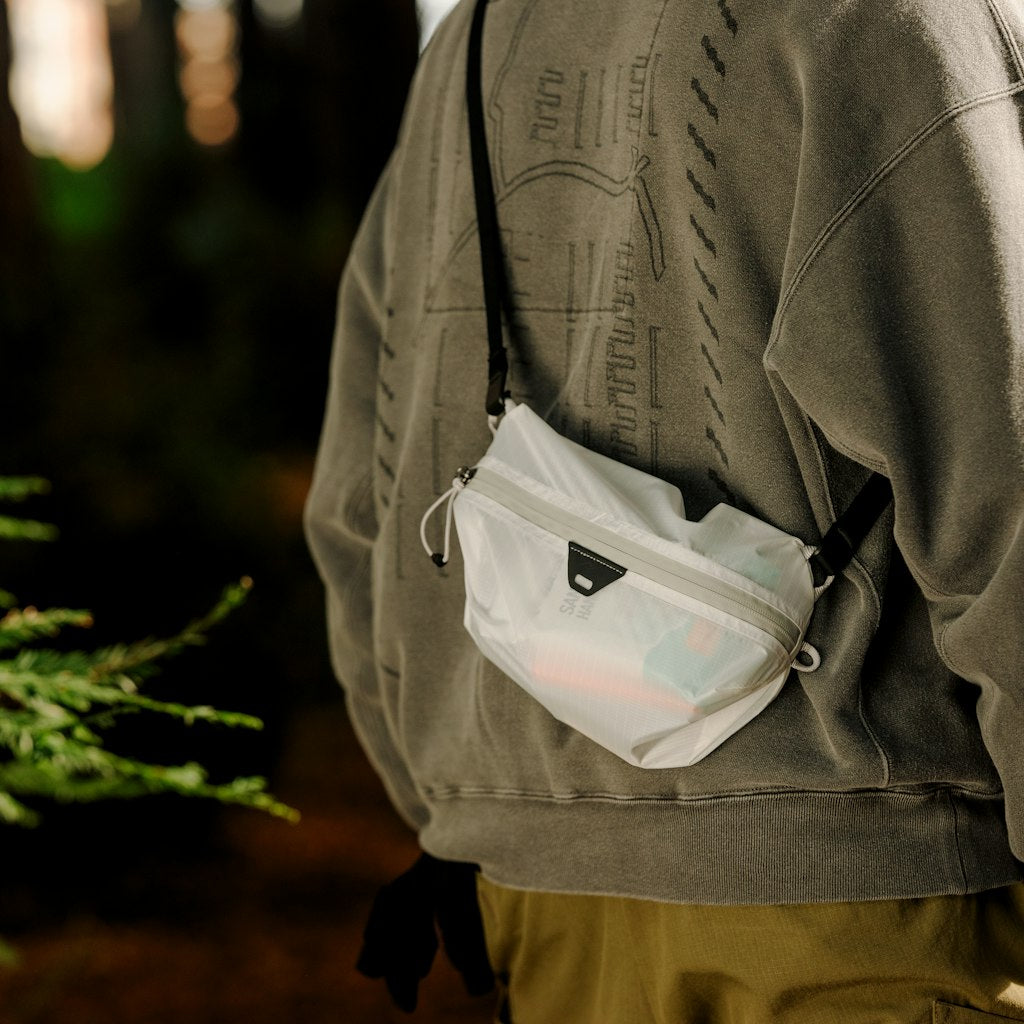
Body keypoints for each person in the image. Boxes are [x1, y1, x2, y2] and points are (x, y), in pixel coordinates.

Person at [305, 0, 1024, 1019]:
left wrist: (465, 811)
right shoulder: (890, 24)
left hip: (541, 914)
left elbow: (362, 507)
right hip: (873, 913)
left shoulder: (471, 44)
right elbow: (1006, 495)